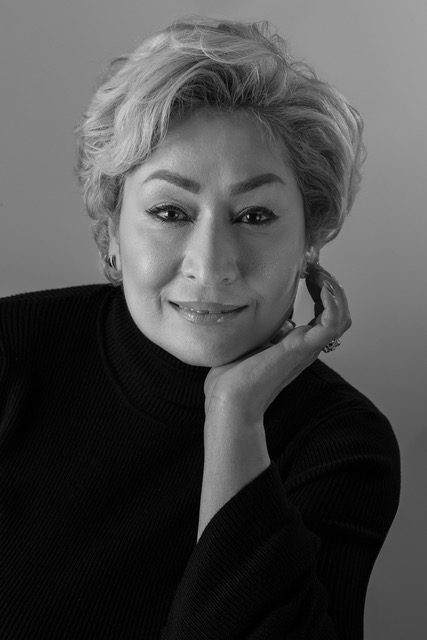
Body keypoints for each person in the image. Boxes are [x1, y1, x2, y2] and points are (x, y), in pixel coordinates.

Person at [0, 15, 400, 640]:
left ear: (310, 241)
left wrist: (234, 417)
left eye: (255, 215)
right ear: (110, 234)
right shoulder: (12, 350)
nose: (211, 266)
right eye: (170, 212)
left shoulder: (342, 446)